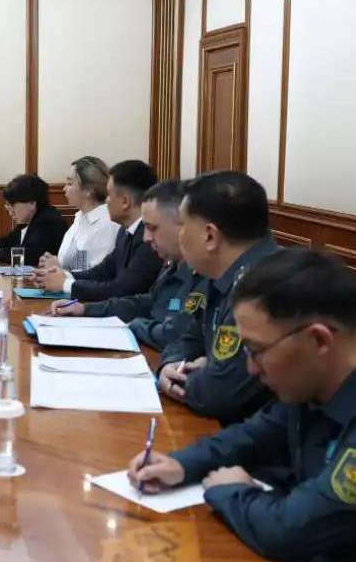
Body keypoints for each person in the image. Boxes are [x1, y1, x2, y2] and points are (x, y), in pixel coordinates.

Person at [128, 248, 356, 562]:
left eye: (256, 350)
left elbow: (289, 530)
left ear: (319, 340)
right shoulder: (323, 375)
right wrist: (181, 464)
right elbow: (255, 434)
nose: (250, 369)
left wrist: (231, 490)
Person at [157, 170, 280, 424]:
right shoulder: (218, 273)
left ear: (210, 236)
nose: (179, 235)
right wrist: (171, 365)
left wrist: (182, 378)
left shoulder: (265, 285)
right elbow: (187, 338)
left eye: (182, 225)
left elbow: (219, 392)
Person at [52, 180, 207, 349]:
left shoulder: (204, 273)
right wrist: (85, 309)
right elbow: (147, 302)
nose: (146, 237)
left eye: (153, 228)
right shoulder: (174, 265)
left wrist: (133, 325)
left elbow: (172, 335)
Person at [36, 160, 162, 301]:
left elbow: (123, 289)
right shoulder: (125, 231)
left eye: (109, 195)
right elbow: (104, 270)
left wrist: (66, 284)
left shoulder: (149, 239)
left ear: (125, 201)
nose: (106, 201)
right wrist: (63, 276)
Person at [38, 155, 118, 272]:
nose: (64, 188)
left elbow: (97, 274)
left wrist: (60, 270)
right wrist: (52, 263)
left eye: (70, 183)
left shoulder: (107, 223)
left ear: (89, 190)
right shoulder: (80, 217)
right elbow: (73, 263)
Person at [0, 173, 68, 267]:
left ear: (32, 203)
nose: (10, 212)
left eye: (12, 205)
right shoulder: (29, 219)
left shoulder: (49, 221)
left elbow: (30, 256)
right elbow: (7, 242)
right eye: (7, 205)